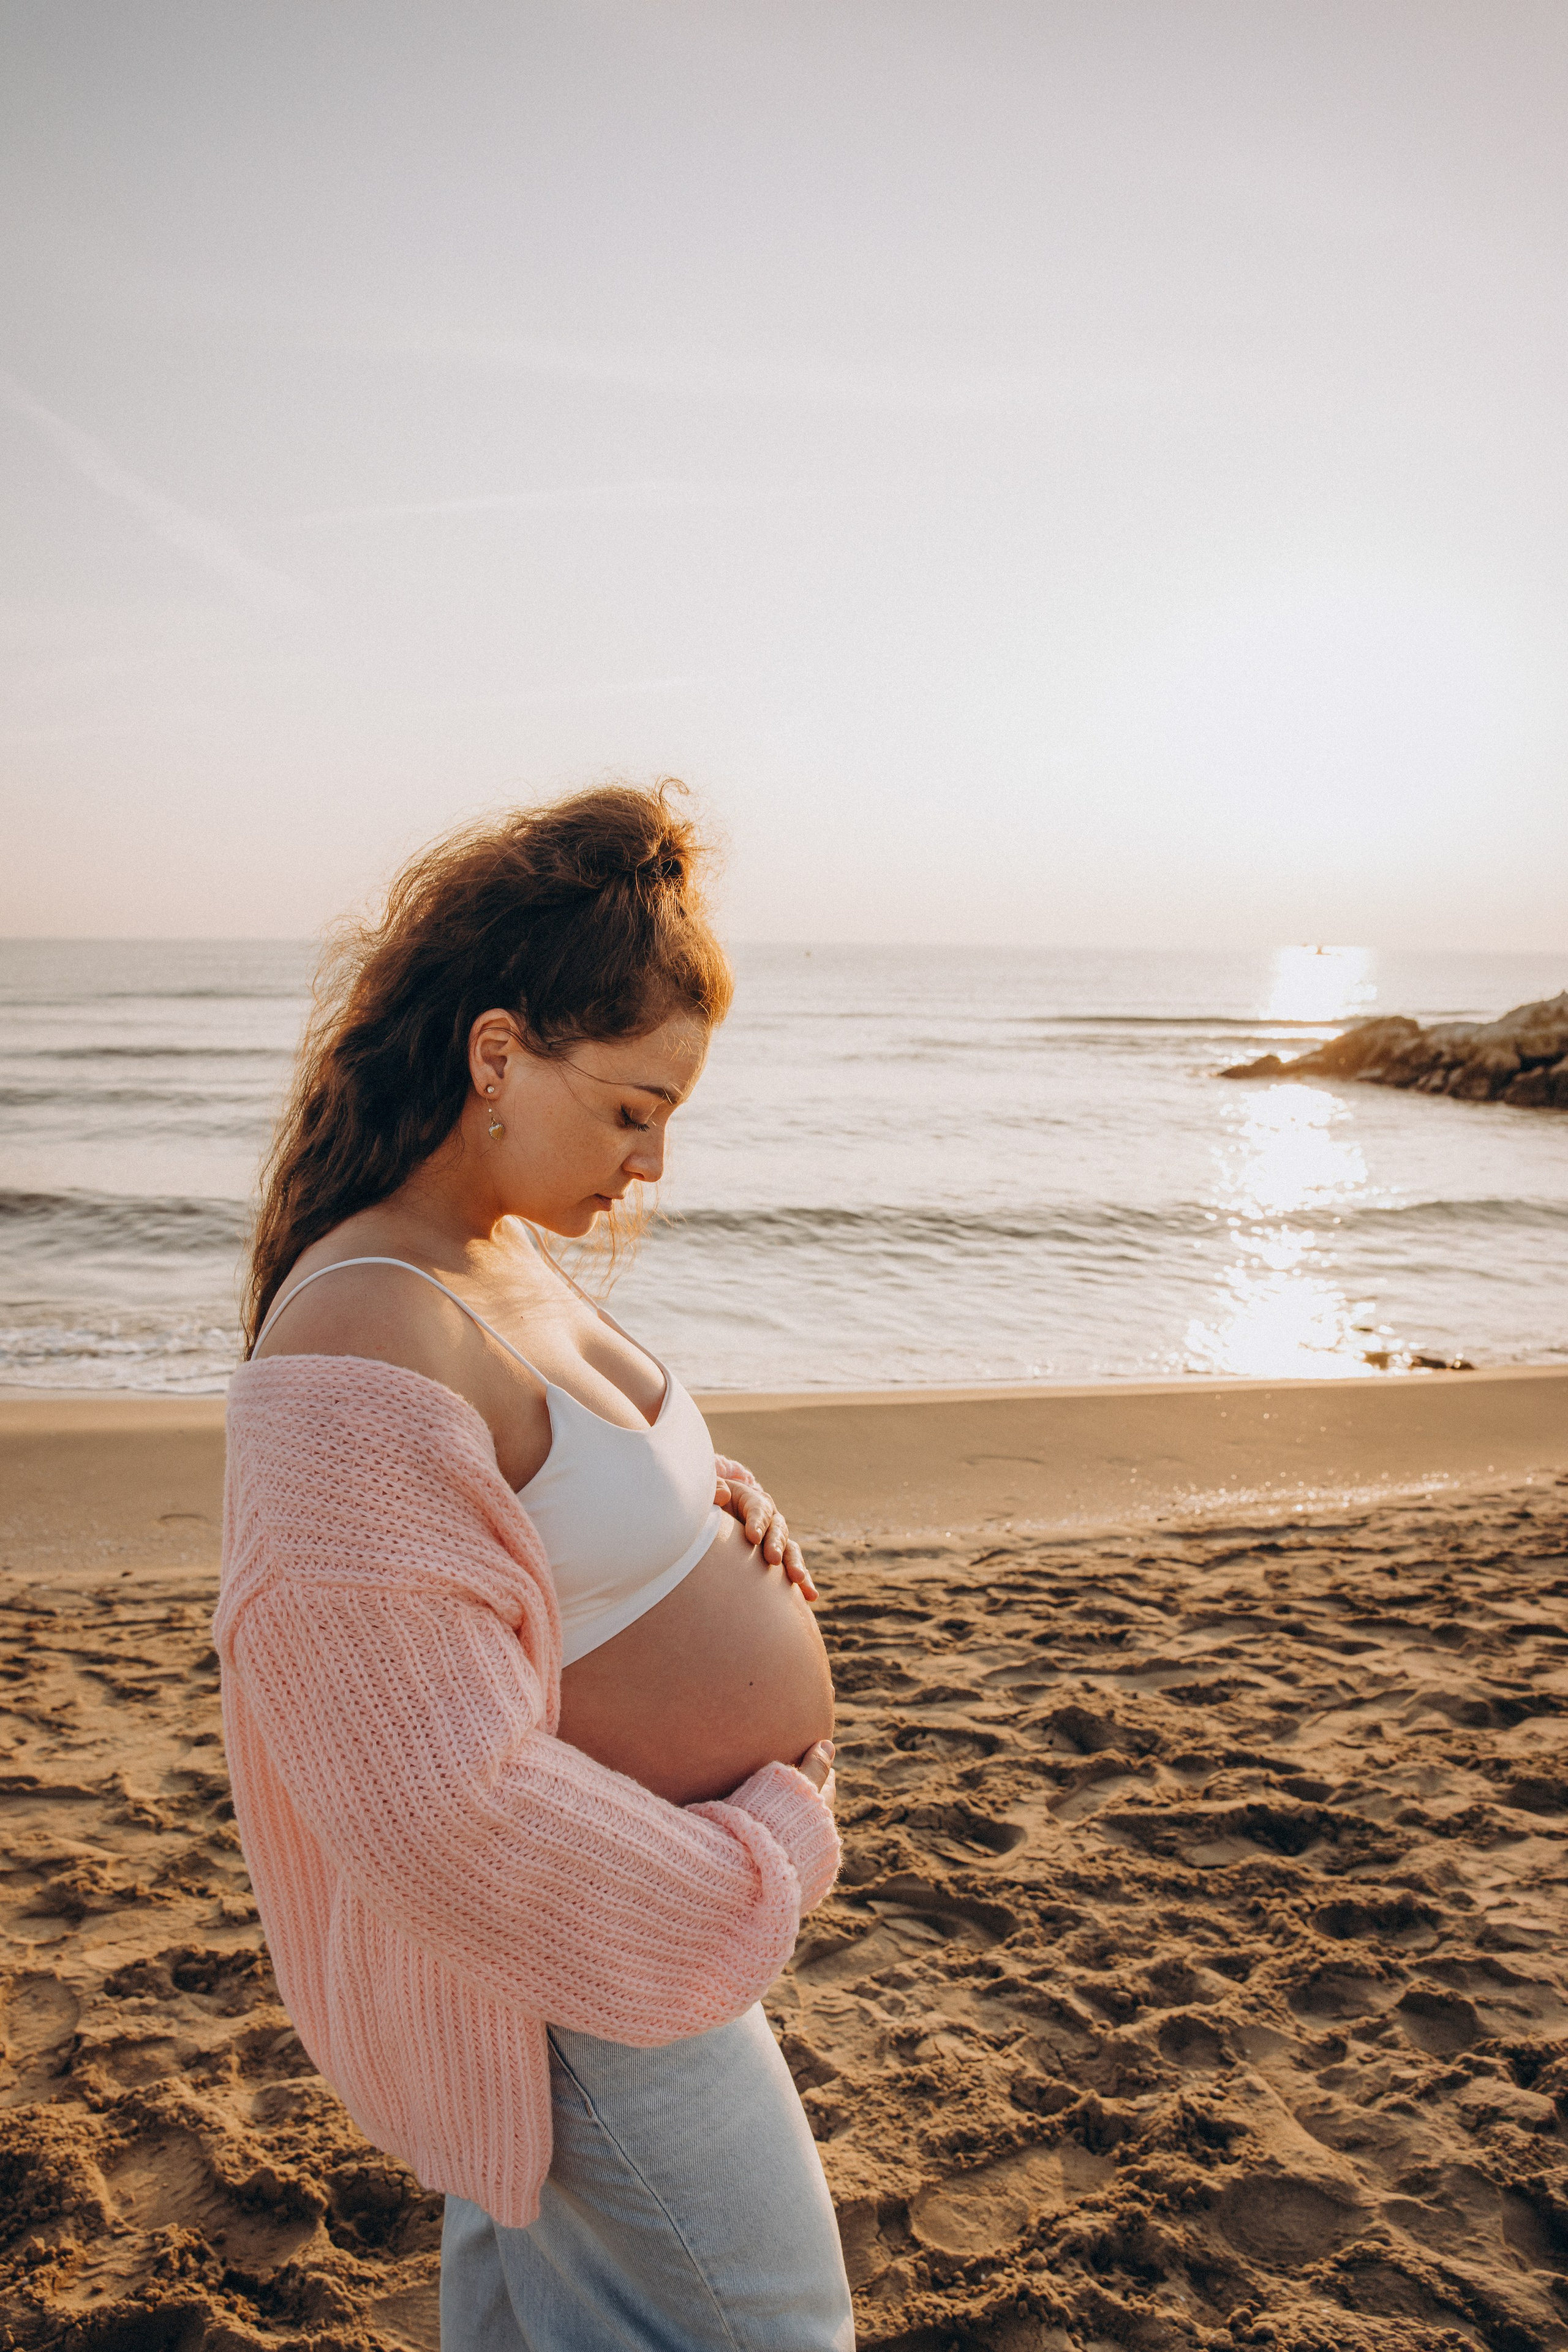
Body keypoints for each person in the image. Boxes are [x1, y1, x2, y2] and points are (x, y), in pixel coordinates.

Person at [215, 783, 853, 2350]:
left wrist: (710, 1501)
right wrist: (757, 1862)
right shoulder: (366, 1321)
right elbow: (434, 1806)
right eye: (632, 1109)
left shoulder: (493, 1251)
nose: (649, 1166)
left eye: (668, 1120)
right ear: (498, 1054)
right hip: (584, 1967)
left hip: (609, 1935)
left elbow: (539, 1505)